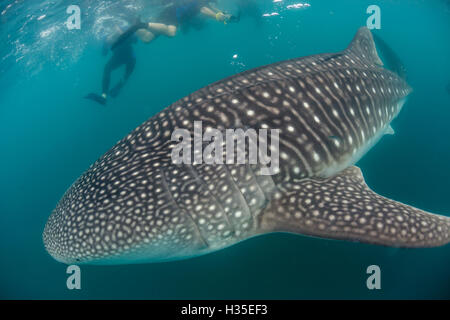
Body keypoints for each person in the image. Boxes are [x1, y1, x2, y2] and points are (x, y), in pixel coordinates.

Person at [111, 0, 238, 50]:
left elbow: (212, 9)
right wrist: (217, 17)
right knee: (171, 33)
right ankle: (140, 24)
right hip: (173, 14)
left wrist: (222, 14)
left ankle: (133, 22)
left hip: (169, 13)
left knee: (147, 39)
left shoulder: (204, 2)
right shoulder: (201, 3)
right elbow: (205, 10)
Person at [85, 26, 137, 105]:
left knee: (126, 76)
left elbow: (135, 41)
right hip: (118, 57)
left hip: (130, 57)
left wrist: (121, 33)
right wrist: (106, 43)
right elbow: (104, 54)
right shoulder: (107, 36)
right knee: (107, 69)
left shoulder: (123, 28)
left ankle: (118, 87)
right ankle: (104, 96)